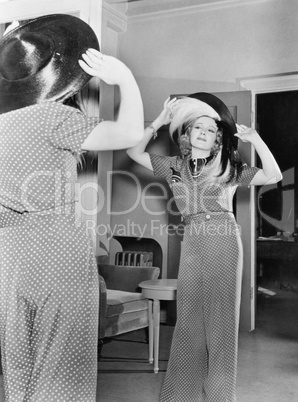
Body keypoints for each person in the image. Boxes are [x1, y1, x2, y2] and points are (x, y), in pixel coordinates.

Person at [0, 14, 143, 402]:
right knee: (64, 368)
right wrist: (125, 78)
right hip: (57, 253)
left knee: (17, 366)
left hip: (9, 260)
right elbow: (130, 133)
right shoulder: (53, 116)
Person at [126, 93, 282, 402]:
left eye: (211, 130)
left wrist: (255, 139)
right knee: (188, 321)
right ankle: (180, 395)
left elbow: (274, 175)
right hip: (193, 240)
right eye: (198, 127)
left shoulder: (229, 166)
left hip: (223, 238)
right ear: (186, 133)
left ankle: (220, 397)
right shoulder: (173, 166)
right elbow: (133, 151)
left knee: (221, 323)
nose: (203, 132)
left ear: (217, 140)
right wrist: (158, 122)